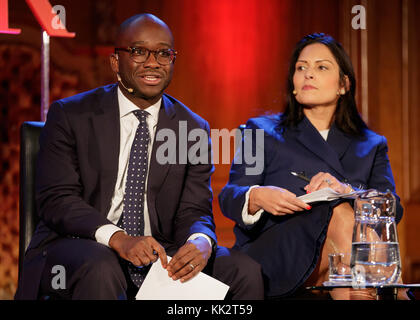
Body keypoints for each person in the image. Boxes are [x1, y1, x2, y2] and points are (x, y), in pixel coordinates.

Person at [15, 13, 264, 300]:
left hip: (158, 252)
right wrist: (119, 238)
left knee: (244, 270)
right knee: (102, 266)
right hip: (77, 246)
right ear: (115, 61)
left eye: (163, 53)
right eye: (138, 51)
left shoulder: (192, 127)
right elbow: (57, 200)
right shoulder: (71, 115)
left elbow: (194, 210)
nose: (153, 62)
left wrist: (201, 240)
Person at [218, 33, 406, 300]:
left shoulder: (371, 144)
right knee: (340, 215)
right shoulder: (260, 130)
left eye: (321, 67)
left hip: (344, 252)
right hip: (276, 249)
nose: (308, 74)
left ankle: (358, 281)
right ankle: (394, 289)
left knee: (344, 243)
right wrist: (257, 196)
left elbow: (393, 209)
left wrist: (346, 190)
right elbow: (229, 195)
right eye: (301, 67)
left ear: (343, 85)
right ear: (293, 83)